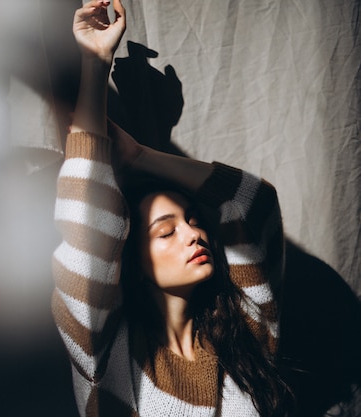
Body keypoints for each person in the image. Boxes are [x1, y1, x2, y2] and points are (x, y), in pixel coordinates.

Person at [51, 1, 292, 415]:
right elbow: (86, 231)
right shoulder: (102, 349)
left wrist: (143, 157)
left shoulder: (246, 332)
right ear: (131, 261)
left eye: (193, 221)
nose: (194, 233)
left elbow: (255, 204)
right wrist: (95, 63)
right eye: (166, 231)